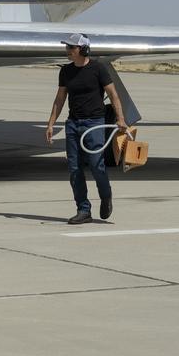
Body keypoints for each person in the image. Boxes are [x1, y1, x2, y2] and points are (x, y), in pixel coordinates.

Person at [44, 33, 128, 224]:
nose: (67, 51)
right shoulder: (66, 71)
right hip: (73, 124)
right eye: (67, 47)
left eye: (71, 48)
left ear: (83, 49)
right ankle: (83, 209)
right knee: (74, 169)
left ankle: (106, 195)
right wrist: (51, 123)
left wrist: (121, 118)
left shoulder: (98, 68)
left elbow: (113, 95)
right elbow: (60, 99)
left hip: (94, 123)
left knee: (97, 165)